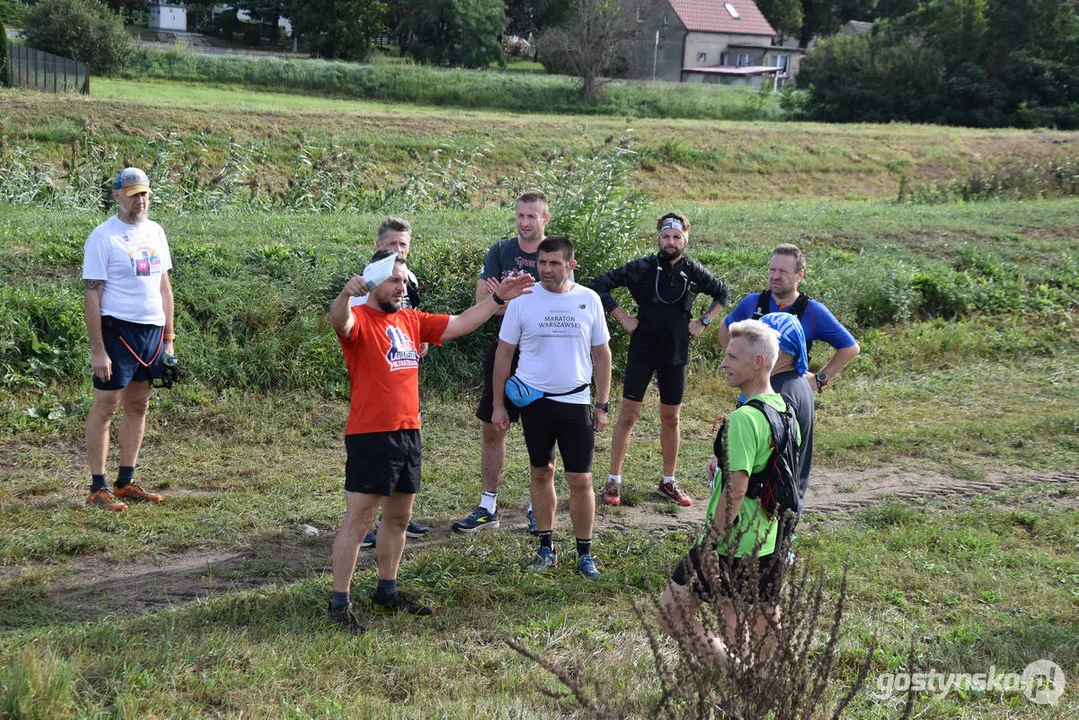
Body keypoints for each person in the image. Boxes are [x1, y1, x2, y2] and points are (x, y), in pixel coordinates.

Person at [328, 249, 535, 633]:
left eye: (404, 281)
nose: (400, 287)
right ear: (373, 280)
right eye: (393, 279)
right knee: (359, 521)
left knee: (400, 517)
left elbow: (459, 323)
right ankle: (339, 602)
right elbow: (340, 322)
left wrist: (498, 299)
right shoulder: (360, 317)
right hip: (371, 434)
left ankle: (386, 592)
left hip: (409, 432)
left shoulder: (411, 319)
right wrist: (344, 296)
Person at [657, 319, 799, 667]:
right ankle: (765, 683)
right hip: (766, 539)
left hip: (731, 540)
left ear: (759, 363)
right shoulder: (784, 410)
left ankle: (739, 676)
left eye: (733, 357)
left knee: (670, 613)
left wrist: (711, 544)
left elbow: (736, 491)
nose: (724, 363)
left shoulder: (743, 419)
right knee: (746, 621)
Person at [589, 211, 730, 508]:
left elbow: (722, 293)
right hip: (643, 348)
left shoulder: (692, 271)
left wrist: (703, 321)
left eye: (677, 237)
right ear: (658, 238)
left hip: (676, 352)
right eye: (666, 236)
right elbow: (599, 284)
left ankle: (668, 481)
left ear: (685, 240)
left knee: (671, 418)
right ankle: (614, 478)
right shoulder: (642, 267)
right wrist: (623, 316)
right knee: (628, 415)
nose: (671, 242)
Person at [490, 236, 612, 579]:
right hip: (535, 403)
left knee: (581, 478)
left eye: (554, 263)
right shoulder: (522, 301)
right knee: (541, 471)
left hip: (575, 401)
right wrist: (499, 404)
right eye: (542, 263)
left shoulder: (589, 300)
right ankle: (546, 548)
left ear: (570, 265)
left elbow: (602, 354)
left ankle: (584, 553)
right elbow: (503, 353)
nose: (546, 269)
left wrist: (602, 404)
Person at [452, 191, 553, 533]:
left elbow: (555, 308)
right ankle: (487, 506)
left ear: (545, 218)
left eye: (532, 216)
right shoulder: (501, 250)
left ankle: (535, 508)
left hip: (543, 355)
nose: (525, 223)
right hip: (504, 350)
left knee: (541, 433)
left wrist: (505, 300)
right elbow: (482, 303)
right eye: (520, 215)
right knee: (493, 426)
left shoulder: (553, 253)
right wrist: (518, 300)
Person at [82, 167, 174, 512]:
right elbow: (92, 295)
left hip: (151, 331)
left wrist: (169, 338)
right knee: (105, 407)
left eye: (145, 193)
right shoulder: (103, 237)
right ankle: (97, 487)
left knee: (139, 405)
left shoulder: (155, 231)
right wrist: (98, 350)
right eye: (134, 193)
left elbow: (164, 287)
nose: (141, 200)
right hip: (117, 330)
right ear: (117, 196)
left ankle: (125, 481)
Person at [348, 217, 429, 547]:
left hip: (404, 369)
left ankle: (395, 518)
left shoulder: (409, 278)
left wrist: (421, 339)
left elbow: (414, 317)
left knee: (406, 447)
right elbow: (353, 326)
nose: (398, 249)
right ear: (378, 246)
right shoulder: (366, 283)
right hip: (371, 371)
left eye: (404, 245)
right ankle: (363, 521)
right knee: (369, 457)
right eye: (392, 244)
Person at [707, 312, 814, 525]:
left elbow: (763, 457)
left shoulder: (783, 393)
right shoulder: (797, 383)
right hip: (779, 509)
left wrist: (712, 540)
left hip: (759, 516)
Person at [719, 243, 860, 394]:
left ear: (800, 275)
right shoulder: (753, 303)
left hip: (789, 397)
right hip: (752, 394)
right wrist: (736, 363)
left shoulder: (812, 311)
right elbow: (724, 328)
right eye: (772, 270)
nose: (775, 276)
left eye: (783, 271)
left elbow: (850, 348)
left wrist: (820, 379)